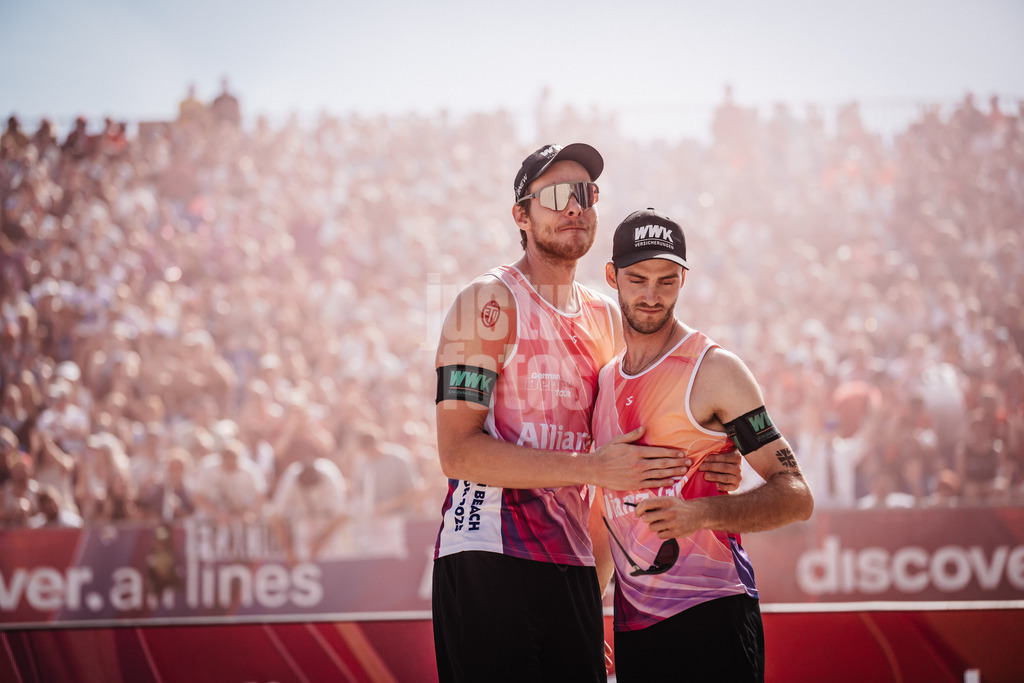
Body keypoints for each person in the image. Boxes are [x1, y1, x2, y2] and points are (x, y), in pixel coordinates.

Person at [432, 144, 742, 681]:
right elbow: (457, 453)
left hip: (573, 566)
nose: (574, 206)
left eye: (584, 193)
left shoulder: (606, 316)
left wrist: (711, 459)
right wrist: (592, 468)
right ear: (521, 216)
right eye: (555, 195)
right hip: (487, 552)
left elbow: (628, 454)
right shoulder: (484, 302)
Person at [588, 209, 814, 681]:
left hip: (713, 614)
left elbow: (796, 494)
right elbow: (607, 513)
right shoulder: (605, 379)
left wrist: (702, 513)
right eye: (638, 279)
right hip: (634, 624)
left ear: (684, 280)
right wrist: (588, 614)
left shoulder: (715, 370)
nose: (652, 295)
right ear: (612, 276)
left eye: (667, 281)